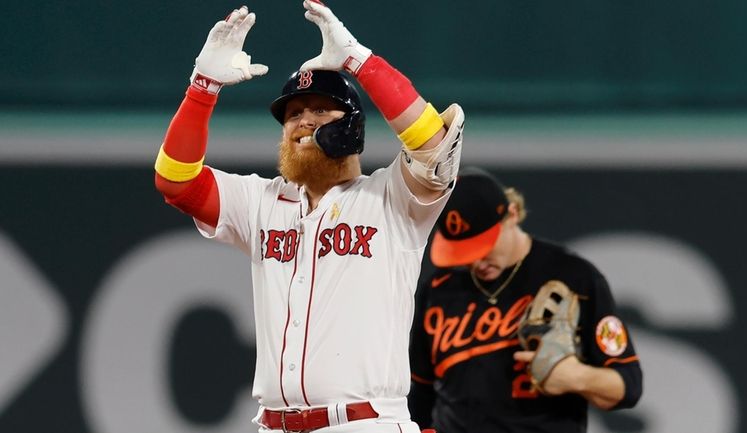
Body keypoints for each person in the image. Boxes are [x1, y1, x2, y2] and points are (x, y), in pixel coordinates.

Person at [153, 2, 463, 432]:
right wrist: (201, 87)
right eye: (293, 114)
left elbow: (435, 143)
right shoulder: (262, 202)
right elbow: (176, 182)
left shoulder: (393, 198)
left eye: (320, 110)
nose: (302, 121)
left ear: (352, 124)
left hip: (363, 422)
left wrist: (361, 62)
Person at [408, 167, 642, 433]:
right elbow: (421, 389)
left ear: (512, 214)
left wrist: (576, 376)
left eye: (484, 247)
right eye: (465, 253)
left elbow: (629, 385)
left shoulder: (574, 277)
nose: (476, 261)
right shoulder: (439, 289)